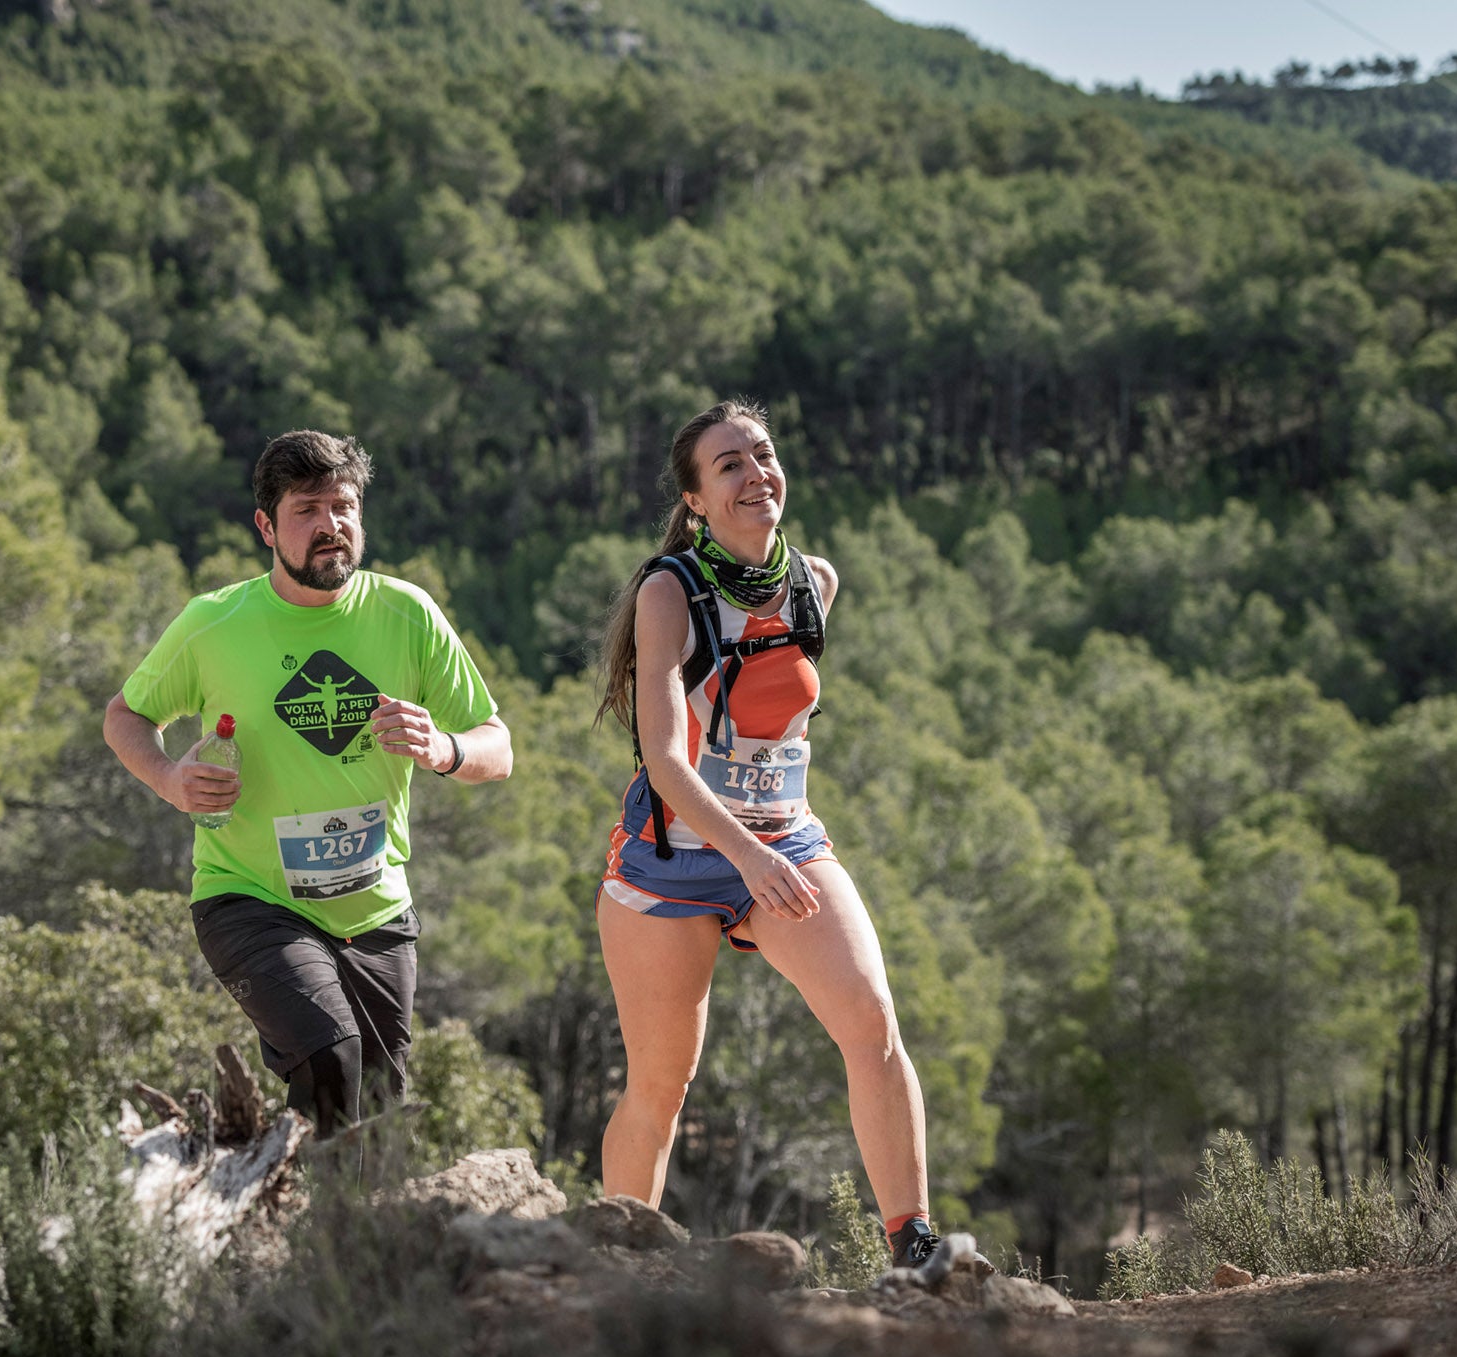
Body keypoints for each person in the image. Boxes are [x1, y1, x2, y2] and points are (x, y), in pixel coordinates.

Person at [593, 399, 987, 1274]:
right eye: (727, 464)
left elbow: (777, 723)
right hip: (673, 857)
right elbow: (663, 758)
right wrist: (748, 854)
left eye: (761, 455)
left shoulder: (816, 581)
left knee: (873, 1020)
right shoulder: (669, 590)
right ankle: (617, 1270)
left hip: (787, 844)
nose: (753, 473)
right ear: (695, 499)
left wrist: (773, 845)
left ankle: (914, 1247)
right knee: (662, 1084)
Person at [104, 429, 512, 1136]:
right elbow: (125, 716)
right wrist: (171, 778)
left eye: (344, 506)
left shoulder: (407, 614)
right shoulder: (214, 622)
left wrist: (443, 747)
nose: (331, 525)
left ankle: (337, 1240)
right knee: (331, 1057)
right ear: (266, 525)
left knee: (380, 1117)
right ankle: (299, 1231)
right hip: (248, 896)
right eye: (308, 510)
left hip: (374, 907)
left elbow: (496, 745)